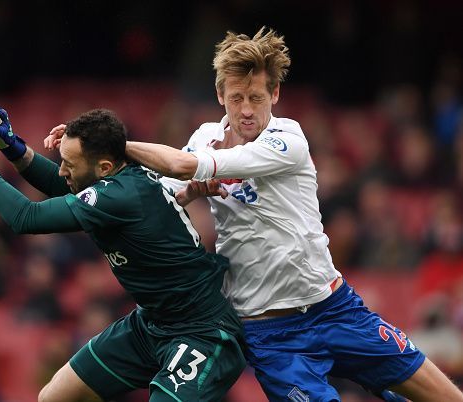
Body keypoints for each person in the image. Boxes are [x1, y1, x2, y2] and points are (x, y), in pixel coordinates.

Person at [118, 27, 463, 401]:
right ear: (220, 95)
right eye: (236, 97)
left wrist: (117, 144)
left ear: (275, 94)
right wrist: (180, 196)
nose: (247, 109)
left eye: (256, 97)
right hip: (273, 337)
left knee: (443, 396)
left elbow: (186, 165)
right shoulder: (204, 138)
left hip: (334, 309)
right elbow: (166, 191)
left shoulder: (288, 139)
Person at [0, 106, 246, 402]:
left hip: (202, 331)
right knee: (54, 397)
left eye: (70, 165)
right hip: (152, 323)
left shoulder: (121, 195)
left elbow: (26, 217)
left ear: (103, 167)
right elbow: (62, 185)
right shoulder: (117, 180)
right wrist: (14, 148)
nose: (63, 170)